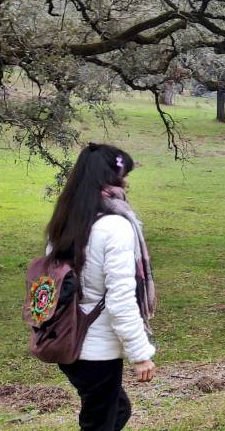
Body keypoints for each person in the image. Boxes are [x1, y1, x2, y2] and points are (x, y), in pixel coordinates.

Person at [45, 143, 157, 430]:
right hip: (96, 348)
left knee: (116, 410)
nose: (127, 182)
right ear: (111, 179)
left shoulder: (65, 222)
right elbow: (121, 298)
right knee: (102, 421)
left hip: (67, 340)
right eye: (123, 175)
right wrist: (140, 354)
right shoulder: (115, 227)